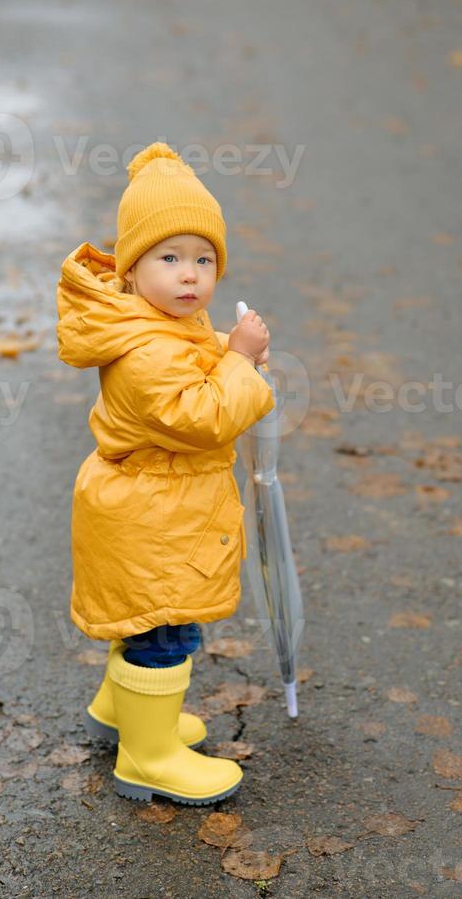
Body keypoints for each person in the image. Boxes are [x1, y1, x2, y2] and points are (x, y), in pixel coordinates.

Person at [56, 142, 275, 805]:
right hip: (155, 518)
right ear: (130, 270)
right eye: (170, 258)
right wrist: (238, 361)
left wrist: (228, 357)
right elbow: (201, 416)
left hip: (154, 508)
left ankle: (121, 711)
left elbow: (198, 368)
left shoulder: (159, 322)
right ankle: (147, 757)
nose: (191, 276)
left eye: (203, 259)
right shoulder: (146, 348)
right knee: (167, 628)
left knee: (148, 620)